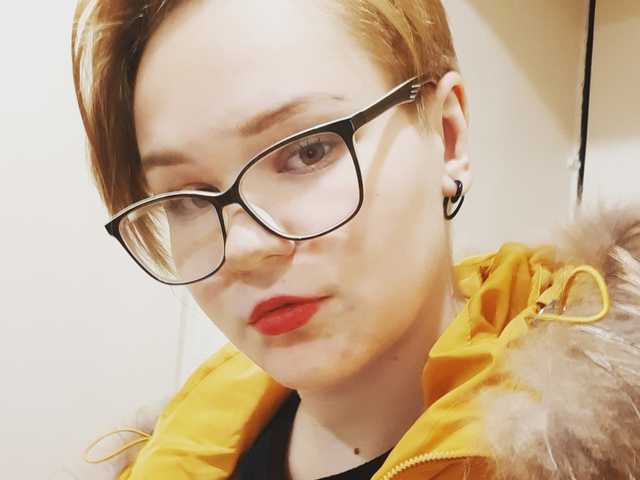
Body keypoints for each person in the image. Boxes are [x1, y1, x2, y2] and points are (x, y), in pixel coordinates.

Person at [71, 1, 640, 479]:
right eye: (188, 198)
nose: (242, 249)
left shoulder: (605, 448)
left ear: (447, 135)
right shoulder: (177, 450)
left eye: (308, 151)